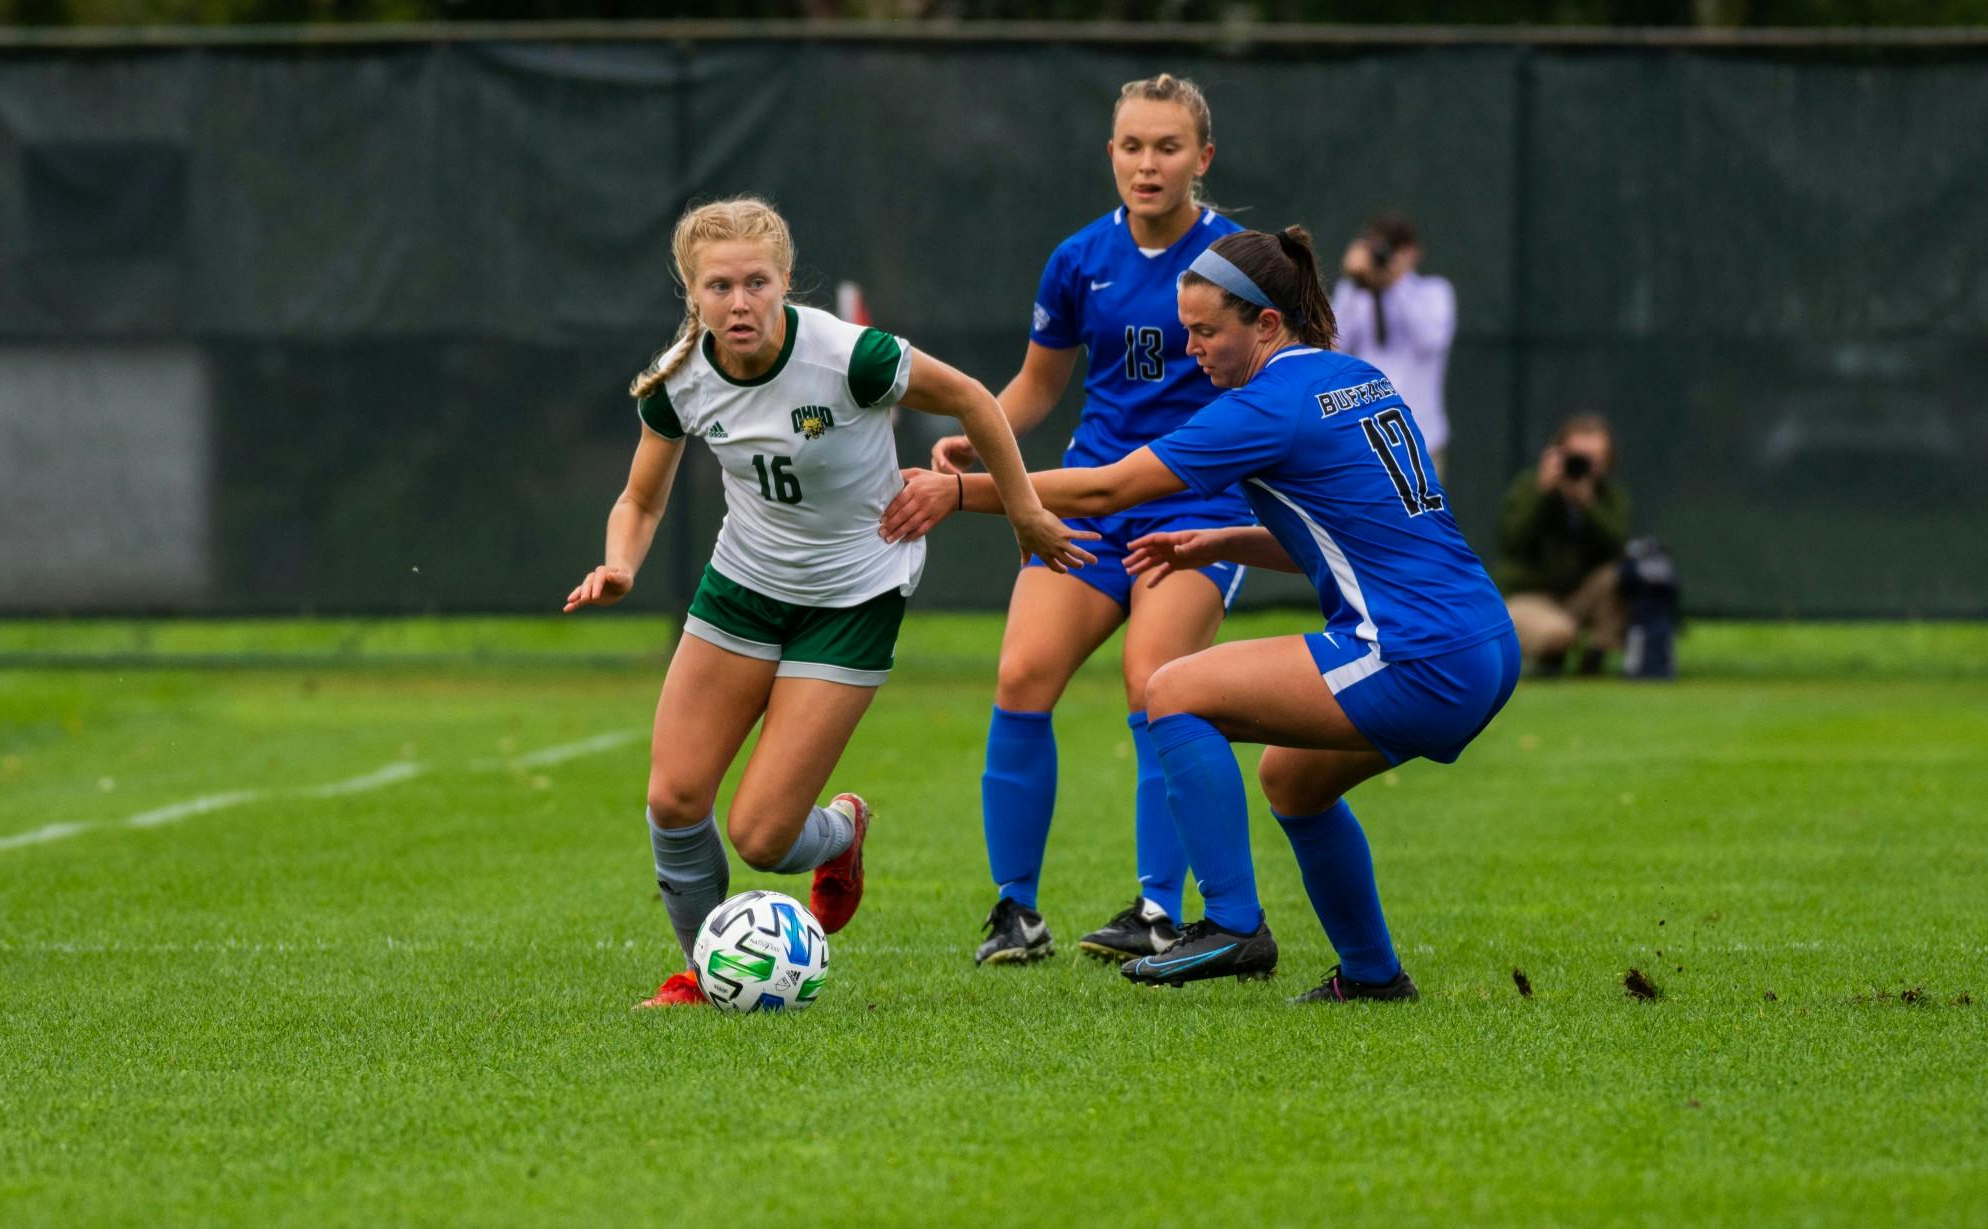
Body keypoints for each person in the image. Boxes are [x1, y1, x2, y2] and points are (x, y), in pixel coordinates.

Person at [884, 226, 1519, 1002]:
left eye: (1207, 331)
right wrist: (1227, 540)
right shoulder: (1356, 378)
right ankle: (1373, 976)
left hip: (1415, 654)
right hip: (1484, 643)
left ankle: (1232, 924)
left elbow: (1108, 487)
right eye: (1187, 330)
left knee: (1173, 690)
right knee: (1292, 781)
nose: (1192, 350)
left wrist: (962, 493)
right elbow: (1357, 537)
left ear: (1267, 325)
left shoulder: (1267, 404)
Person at [565, 196, 1093, 1009]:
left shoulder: (851, 357)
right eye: (718, 287)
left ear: (784, 284)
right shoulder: (681, 381)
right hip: (742, 589)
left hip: (852, 596)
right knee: (673, 800)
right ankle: (709, 977)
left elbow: (975, 401)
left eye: (756, 283)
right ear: (690, 292)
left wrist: (1021, 510)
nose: (738, 303)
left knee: (763, 837)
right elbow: (639, 500)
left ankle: (842, 829)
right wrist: (619, 562)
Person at [925, 73, 1257, 968]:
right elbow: (1039, 385)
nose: (1148, 164)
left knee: (1157, 683)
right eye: (1132, 146)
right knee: (1023, 673)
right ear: (1109, 154)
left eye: (1168, 147)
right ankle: (1016, 911)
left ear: (1204, 157)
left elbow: (1277, 382)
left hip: (1199, 502)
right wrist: (980, 438)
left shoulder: (1240, 263)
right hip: (1090, 500)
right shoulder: (1079, 259)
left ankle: (1156, 909)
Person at [1495, 414, 1631, 676]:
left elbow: (1618, 545)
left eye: (1595, 460)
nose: (1584, 467)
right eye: (1578, 458)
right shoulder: (1530, 487)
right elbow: (1512, 540)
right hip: (1530, 595)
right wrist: (1543, 494)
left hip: (1577, 596)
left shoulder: (1608, 497)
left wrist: (1588, 506)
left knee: (1620, 576)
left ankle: (1596, 653)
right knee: (1559, 634)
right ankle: (1542, 653)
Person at [1332, 214, 1457, 478]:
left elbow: (1431, 339)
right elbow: (1333, 345)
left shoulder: (1433, 292)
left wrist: (1396, 283)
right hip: (1365, 435)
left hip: (1421, 435)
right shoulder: (1357, 295)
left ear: (1412, 253)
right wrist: (1356, 282)